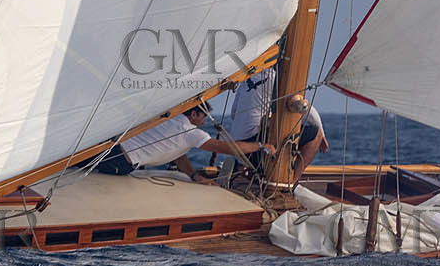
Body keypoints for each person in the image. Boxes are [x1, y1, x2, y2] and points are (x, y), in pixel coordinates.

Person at [91, 104, 272, 184]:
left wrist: (194, 175)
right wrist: (261, 146)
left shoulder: (169, 120)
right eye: (202, 117)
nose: (203, 122)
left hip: (112, 155)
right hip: (119, 163)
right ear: (193, 114)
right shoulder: (189, 132)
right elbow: (229, 148)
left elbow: (177, 154)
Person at [227, 67, 328, 177]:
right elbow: (308, 111)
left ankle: (245, 168)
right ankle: (290, 184)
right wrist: (322, 135)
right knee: (316, 134)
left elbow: (233, 113)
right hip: (255, 150)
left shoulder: (247, 79)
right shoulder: (279, 81)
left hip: (236, 148)